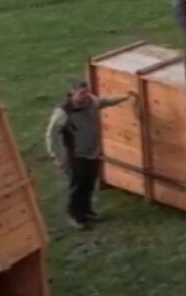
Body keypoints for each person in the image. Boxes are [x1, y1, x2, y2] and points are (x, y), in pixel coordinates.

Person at [45, 80, 135, 229]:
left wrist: (125, 97)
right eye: (82, 93)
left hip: (92, 153)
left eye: (87, 92)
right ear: (72, 93)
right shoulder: (63, 112)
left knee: (89, 184)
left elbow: (106, 102)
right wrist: (57, 158)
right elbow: (51, 136)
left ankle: (87, 212)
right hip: (76, 156)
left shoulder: (91, 102)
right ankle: (75, 216)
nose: (86, 95)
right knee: (77, 186)